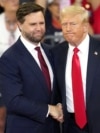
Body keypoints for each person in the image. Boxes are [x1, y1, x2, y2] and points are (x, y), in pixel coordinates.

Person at [0, 2, 63, 133]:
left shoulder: (49, 51)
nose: (39, 28)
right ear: (20, 25)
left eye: (41, 23)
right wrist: (49, 109)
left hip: (52, 128)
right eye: (33, 24)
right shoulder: (9, 58)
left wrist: (59, 105)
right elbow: (13, 101)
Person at [50, 5, 100, 133]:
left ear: (85, 26)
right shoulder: (56, 53)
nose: (68, 29)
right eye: (64, 24)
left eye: (72, 24)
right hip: (70, 125)